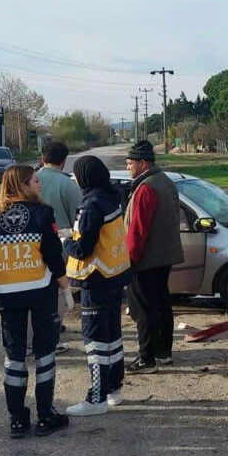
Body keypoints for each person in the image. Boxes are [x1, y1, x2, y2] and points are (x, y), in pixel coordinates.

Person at [0, 165, 69, 438]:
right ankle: (45, 415)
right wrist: (65, 286)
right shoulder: (42, 214)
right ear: (23, 185)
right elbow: (53, 253)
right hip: (40, 290)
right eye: (34, 180)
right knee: (44, 353)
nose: (39, 183)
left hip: (7, 294)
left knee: (14, 357)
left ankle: (17, 419)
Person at [63, 156, 131, 416]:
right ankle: (114, 388)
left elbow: (82, 249)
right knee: (113, 335)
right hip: (115, 276)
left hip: (96, 278)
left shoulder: (90, 205)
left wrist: (65, 241)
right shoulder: (112, 197)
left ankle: (96, 397)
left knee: (95, 340)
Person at [124, 140, 184, 373]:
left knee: (144, 310)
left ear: (142, 163)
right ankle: (163, 352)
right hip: (165, 256)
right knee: (161, 303)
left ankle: (146, 358)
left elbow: (138, 230)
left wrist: (130, 260)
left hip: (146, 259)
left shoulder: (146, 187)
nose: (128, 167)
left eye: (130, 163)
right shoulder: (166, 182)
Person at [36, 140, 82, 354]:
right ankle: (54, 326)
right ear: (63, 162)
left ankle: (35, 329)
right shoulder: (68, 184)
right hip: (60, 243)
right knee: (57, 288)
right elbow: (78, 217)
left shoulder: (29, 181)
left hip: (30, 244)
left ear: (42, 158)